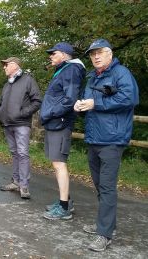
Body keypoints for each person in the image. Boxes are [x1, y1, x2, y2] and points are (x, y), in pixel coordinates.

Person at [74, 39, 139, 252]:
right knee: (99, 185)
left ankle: (104, 234)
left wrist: (96, 103)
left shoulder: (121, 73)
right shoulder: (93, 76)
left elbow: (129, 98)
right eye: (92, 54)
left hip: (112, 139)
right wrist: (80, 104)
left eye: (100, 52)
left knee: (107, 187)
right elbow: (89, 101)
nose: (96, 57)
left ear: (109, 54)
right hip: (94, 138)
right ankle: (106, 223)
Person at [39, 42, 86, 219]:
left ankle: (64, 208)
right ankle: (65, 200)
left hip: (60, 122)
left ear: (65, 54)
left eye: (54, 53)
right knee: (56, 163)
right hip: (54, 122)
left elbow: (70, 99)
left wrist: (51, 113)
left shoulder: (72, 70)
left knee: (59, 163)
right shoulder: (63, 70)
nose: (50, 56)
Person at [0, 57, 42, 199]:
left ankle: (24, 185)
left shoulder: (28, 80)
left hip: (21, 124)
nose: (4, 67)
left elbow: (37, 101)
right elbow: (0, 102)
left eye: (7, 65)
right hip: (7, 124)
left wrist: (21, 114)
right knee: (14, 153)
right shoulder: (6, 84)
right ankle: (15, 182)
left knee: (22, 153)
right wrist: (0, 113)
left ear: (15, 66)